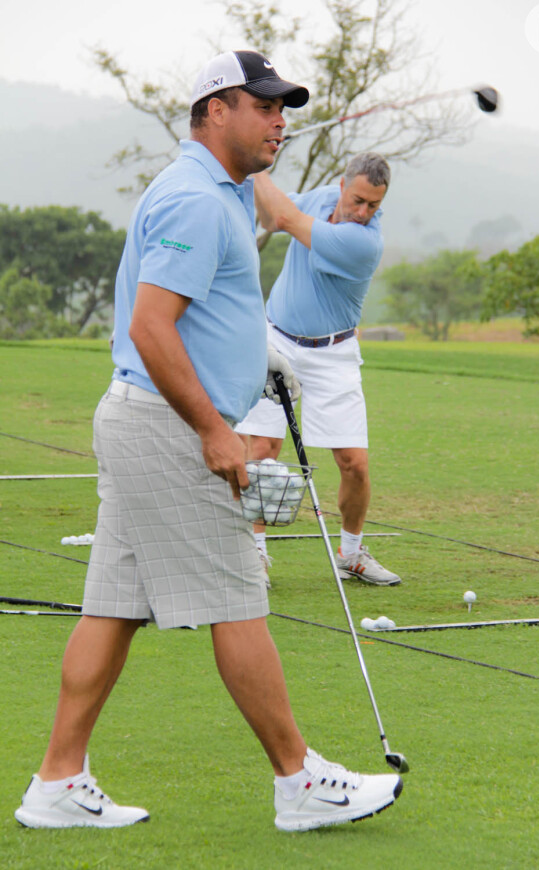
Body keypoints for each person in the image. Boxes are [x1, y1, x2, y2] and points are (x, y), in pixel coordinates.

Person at [14, 51, 402, 833]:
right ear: (214, 111)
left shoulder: (219, 192)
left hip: (143, 417)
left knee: (113, 607)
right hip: (168, 425)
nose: (280, 121)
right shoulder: (196, 198)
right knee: (237, 597)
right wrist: (214, 429)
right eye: (263, 107)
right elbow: (151, 327)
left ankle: (57, 782)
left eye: (284, 109)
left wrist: (251, 358)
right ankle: (297, 781)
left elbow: (206, 304)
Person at [236, 154, 402, 586]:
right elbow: (271, 217)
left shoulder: (363, 242)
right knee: (262, 453)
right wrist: (252, 168)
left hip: (335, 352)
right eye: (359, 200)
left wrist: (254, 164)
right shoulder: (324, 197)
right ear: (342, 185)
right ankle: (252, 556)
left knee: (354, 464)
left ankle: (351, 554)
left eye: (374, 206)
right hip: (277, 340)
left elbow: (287, 218)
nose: (363, 213)